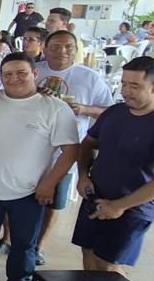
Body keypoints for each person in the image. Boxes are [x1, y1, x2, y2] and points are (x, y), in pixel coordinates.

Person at [0, 53, 80, 281]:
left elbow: (71, 150)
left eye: (21, 73)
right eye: (7, 74)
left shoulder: (55, 108)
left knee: (24, 243)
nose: (14, 79)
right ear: (1, 77)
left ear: (34, 74)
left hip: (29, 191)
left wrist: (49, 183)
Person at [73, 56, 154, 273]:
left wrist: (120, 205)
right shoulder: (114, 113)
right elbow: (88, 144)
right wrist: (83, 175)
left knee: (108, 264)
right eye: (123, 84)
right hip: (97, 196)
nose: (126, 91)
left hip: (133, 208)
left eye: (135, 86)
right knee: (88, 252)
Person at [31, 30, 114, 262]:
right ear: (45, 48)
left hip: (66, 151)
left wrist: (84, 110)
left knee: (54, 202)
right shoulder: (33, 71)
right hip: (31, 147)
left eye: (68, 47)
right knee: (22, 199)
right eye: (56, 46)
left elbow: (109, 110)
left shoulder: (89, 77)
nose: (62, 51)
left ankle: (39, 246)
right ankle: (10, 239)